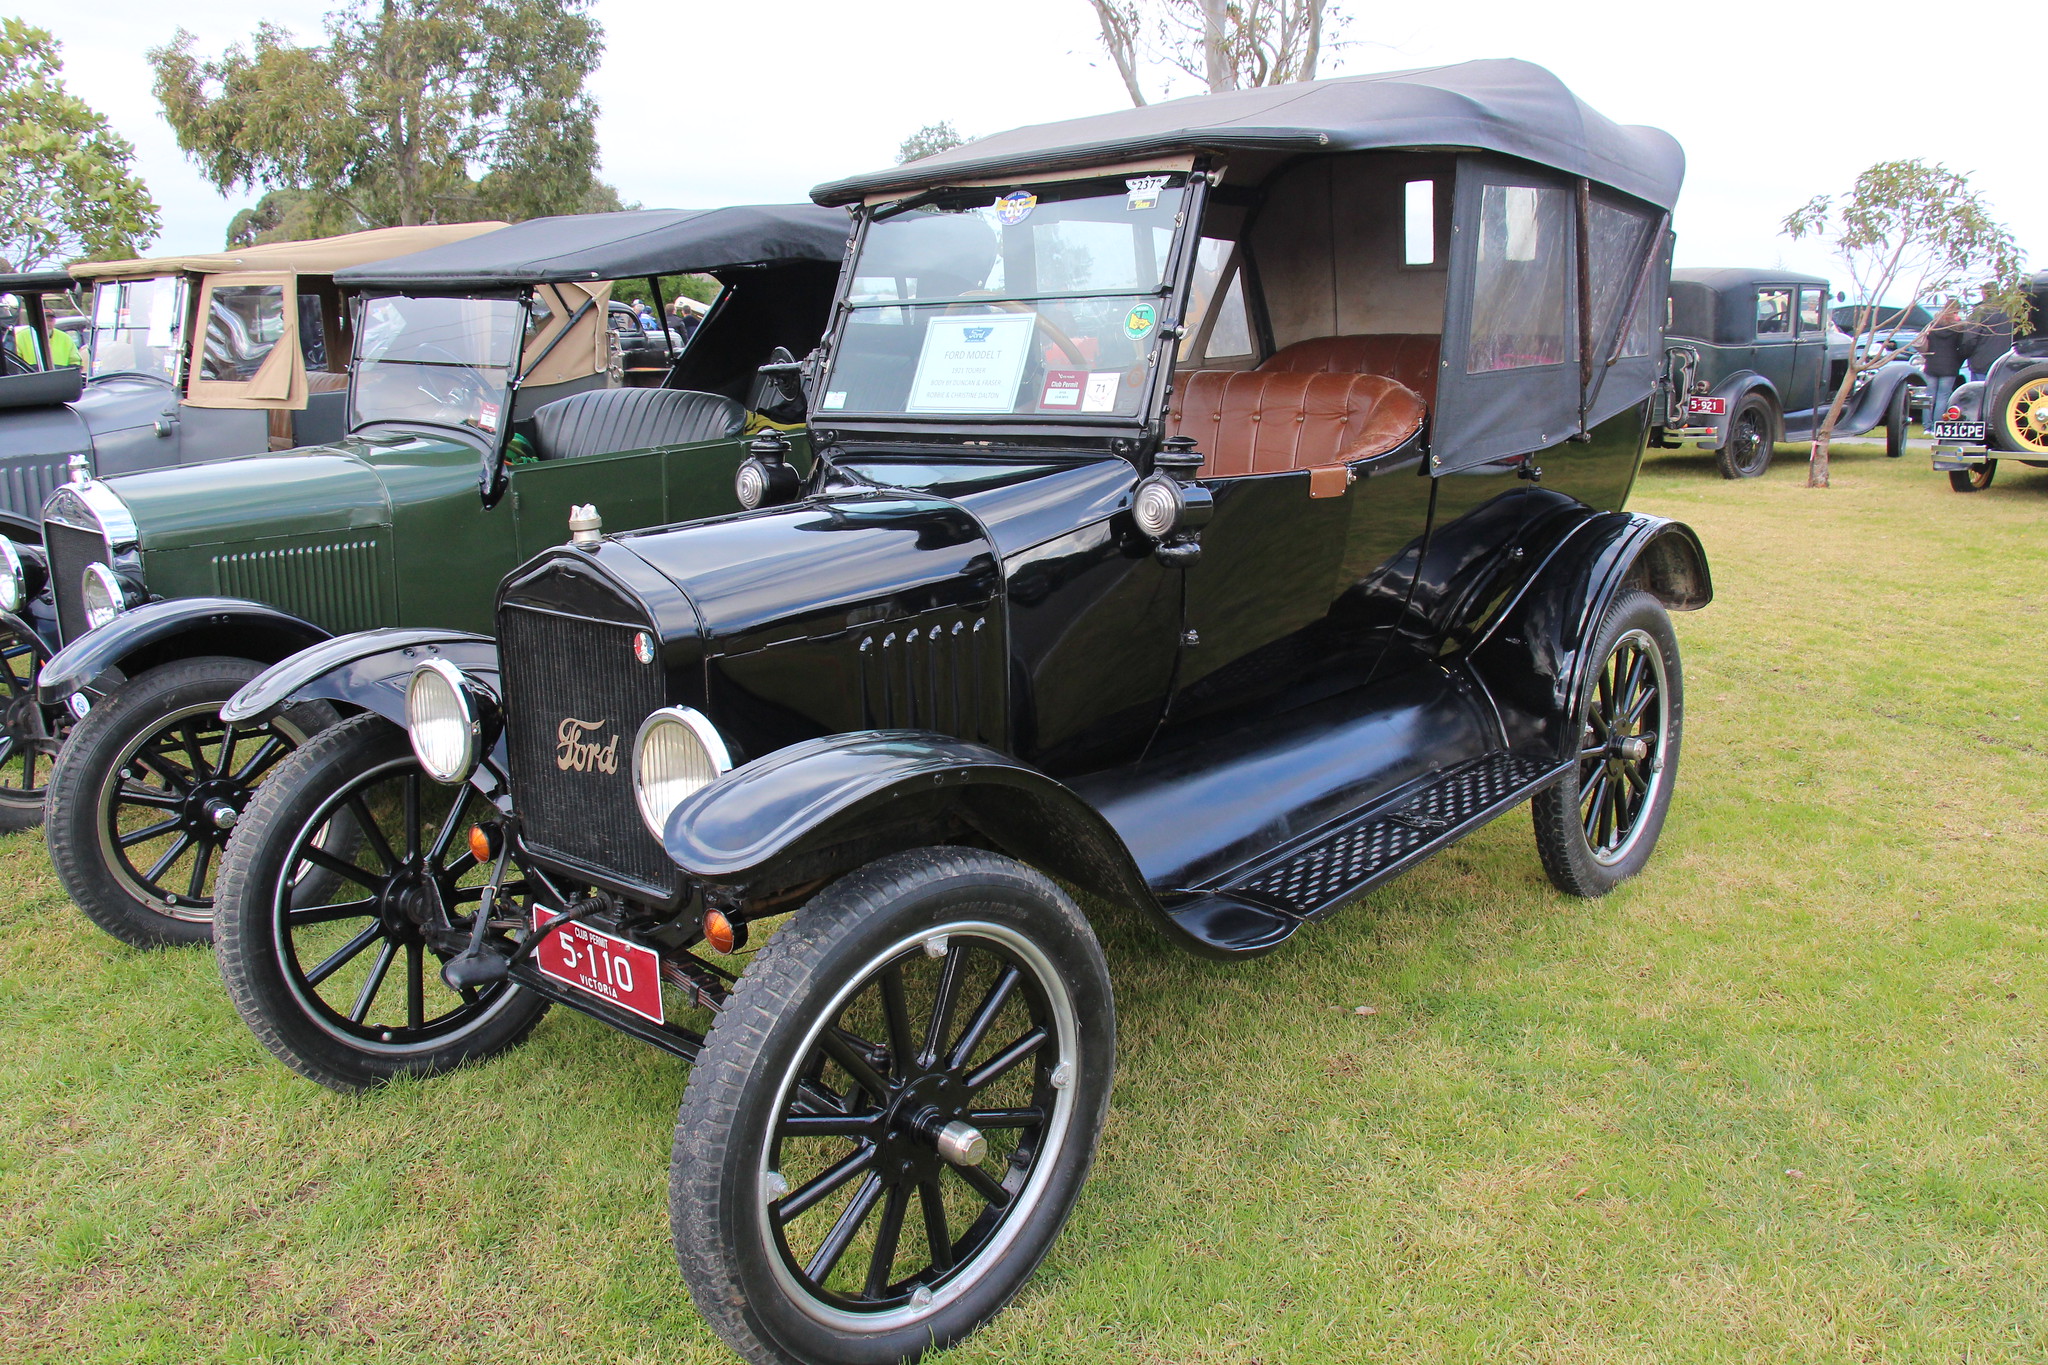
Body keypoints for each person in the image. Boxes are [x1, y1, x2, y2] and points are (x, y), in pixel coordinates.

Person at [1915, 298, 1969, 422]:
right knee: (1943, 397)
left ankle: (1927, 426)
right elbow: (1961, 346)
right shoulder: (1958, 328)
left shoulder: (1934, 324)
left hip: (1932, 363)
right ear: (1957, 311)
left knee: (1929, 396)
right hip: (1949, 366)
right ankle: (1937, 424)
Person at [1965, 285, 2014, 383]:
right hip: (2003, 362)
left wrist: (1964, 354)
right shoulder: (2010, 311)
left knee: (1979, 390)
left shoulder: (1980, 311)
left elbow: (1970, 338)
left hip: (1981, 362)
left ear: (1984, 293)